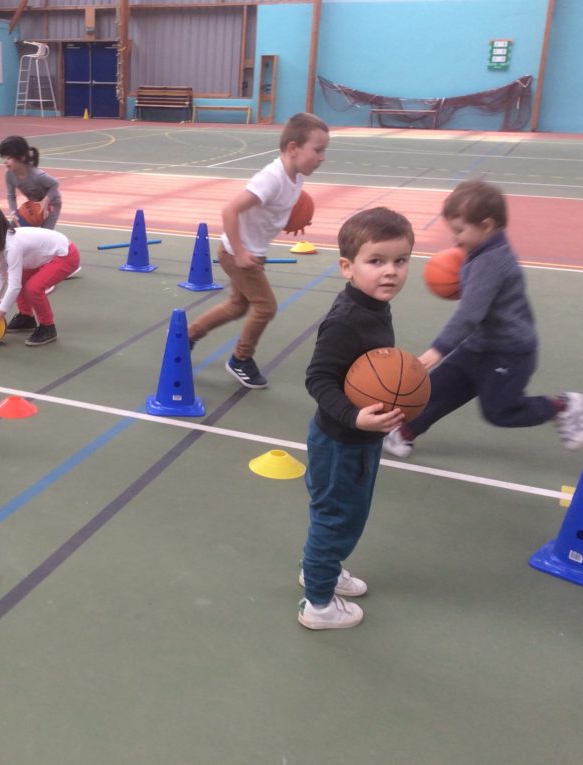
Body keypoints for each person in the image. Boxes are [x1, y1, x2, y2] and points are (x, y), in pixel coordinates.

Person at [383, 179, 583, 459]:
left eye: (459, 231)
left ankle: (561, 406)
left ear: (488, 226)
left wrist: (439, 348)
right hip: (478, 345)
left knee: (499, 412)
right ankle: (404, 433)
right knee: (438, 388)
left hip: (508, 353)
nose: (454, 239)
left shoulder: (490, 262)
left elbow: (469, 315)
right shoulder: (480, 250)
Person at [299, 207, 414, 630]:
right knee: (337, 517)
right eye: (376, 261)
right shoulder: (347, 320)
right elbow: (318, 378)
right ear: (347, 267)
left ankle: (320, 569)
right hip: (341, 441)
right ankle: (319, 604)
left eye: (400, 261)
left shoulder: (371, 305)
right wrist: (355, 417)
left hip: (356, 438)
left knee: (341, 513)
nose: (390, 272)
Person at [188, 112, 329, 389]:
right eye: (318, 150)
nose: (322, 157)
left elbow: (273, 209)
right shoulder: (272, 177)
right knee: (266, 307)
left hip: (253, 252)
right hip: (238, 254)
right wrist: (239, 253)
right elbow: (229, 210)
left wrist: (289, 222)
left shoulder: (295, 176)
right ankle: (240, 359)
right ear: (293, 148)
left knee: (238, 306)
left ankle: (187, 336)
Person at [0, 202, 79, 347]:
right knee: (16, 276)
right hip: (43, 256)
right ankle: (26, 318)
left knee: (33, 288)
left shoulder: (12, 246)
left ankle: (48, 327)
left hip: (66, 255)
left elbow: (14, 287)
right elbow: (0, 274)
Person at [0, 135, 62, 230]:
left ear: (22, 157)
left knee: (45, 234)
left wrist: (46, 201)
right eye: (4, 157)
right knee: (12, 229)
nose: (5, 161)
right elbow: (11, 195)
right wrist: (13, 213)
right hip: (34, 206)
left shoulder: (37, 175)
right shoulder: (9, 175)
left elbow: (55, 184)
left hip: (51, 204)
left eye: (9, 157)